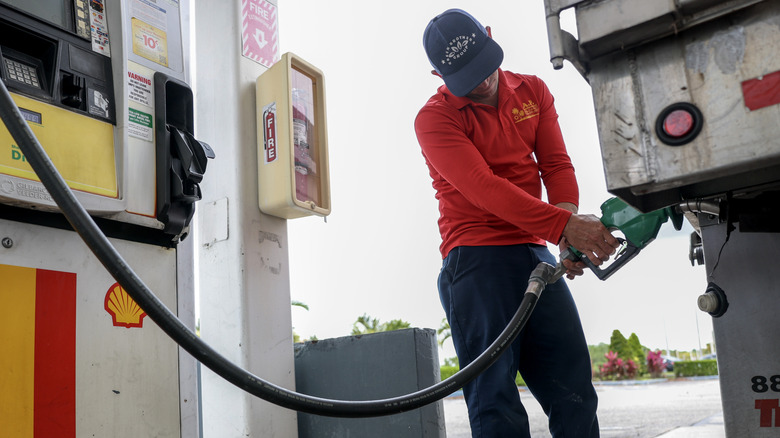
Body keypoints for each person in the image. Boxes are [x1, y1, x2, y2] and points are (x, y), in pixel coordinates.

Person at [414, 9, 620, 438]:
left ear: (489, 37)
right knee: (496, 405)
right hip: (474, 260)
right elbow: (482, 187)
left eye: (484, 67)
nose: (481, 81)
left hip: (536, 253)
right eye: (465, 76)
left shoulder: (533, 91)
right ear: (438, 73)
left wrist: (567, 236)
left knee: (575, 392)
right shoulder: (434, 118)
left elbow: (557, 165)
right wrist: (564, 225)